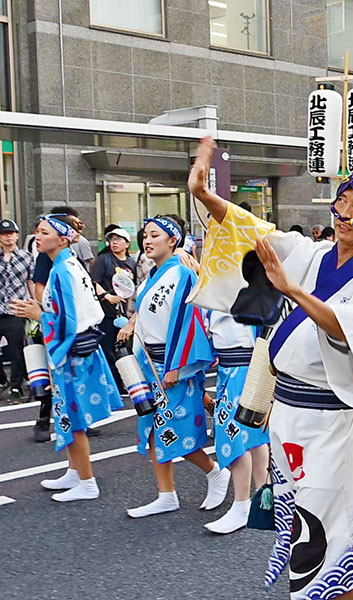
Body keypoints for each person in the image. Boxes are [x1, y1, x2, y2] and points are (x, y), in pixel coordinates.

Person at [188, 136, 353, 599]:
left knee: (323, 535)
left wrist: (293, 291)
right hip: (287, 412)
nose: (344, 213)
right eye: (341, 201)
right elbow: (254, 233)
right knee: (304, 528)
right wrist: (207, 195)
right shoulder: (312, 254)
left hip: (329, 421)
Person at [118, 215, 230, 518]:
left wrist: (177, 366)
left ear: (173, 240)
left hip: (172, 365)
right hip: (150, 363)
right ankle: (166, 494)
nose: (147, 240)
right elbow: (144, 316)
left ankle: (214, 471)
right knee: (154, 428)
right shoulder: (150, 277)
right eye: (145, 235)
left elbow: (188, 322)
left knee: (175, 427)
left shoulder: (181, 274)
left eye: (155, 235)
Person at [11, 214, 123, 501]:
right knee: (71, 415)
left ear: (63, 239)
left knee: (73, 417)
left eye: (44, 232)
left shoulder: (62, 269)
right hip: (81, 346)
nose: (37, 236)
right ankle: (75, 471)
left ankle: (87, 481)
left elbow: (67, 320)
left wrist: (38, 314)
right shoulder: (69, 264)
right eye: (37, 231)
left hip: (73, 350)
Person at [203, 312, 270, 534]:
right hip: (237, 364)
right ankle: (265, 497)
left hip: (244, 363)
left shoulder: (241, 279)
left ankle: (242, 504)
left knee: (233, 434)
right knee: (253, 434)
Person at [90, 227, 137, 393]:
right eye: (112, 239)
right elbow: (93, 282)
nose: (114, 242)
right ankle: (112, 386)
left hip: (123, 314)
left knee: (123, 349)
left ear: (126, 243)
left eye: (118, 239)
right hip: (105, 313)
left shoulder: (131, 262)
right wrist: (106, 297)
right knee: (108, 349)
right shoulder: (104, 260)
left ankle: (123, 382)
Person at [0, 218, 34, 406]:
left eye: (11, 233)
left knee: (16, 351)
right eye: (4, 234)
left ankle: (15, 387)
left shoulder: (25, 256)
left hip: (16, 310)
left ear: (17, 235)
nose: (8, 237)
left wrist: (35, 305)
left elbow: (30, 282)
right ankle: (2, 381)